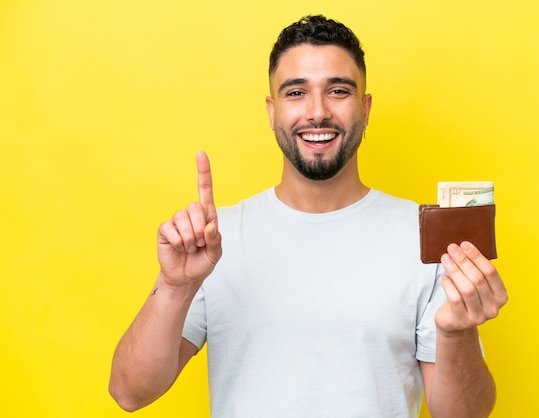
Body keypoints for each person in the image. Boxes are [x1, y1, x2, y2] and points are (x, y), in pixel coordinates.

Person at [109, 14, 508, 418]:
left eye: (338, 90)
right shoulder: (214, 242)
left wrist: (456, 333)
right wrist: (175, 286)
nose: (317, 112)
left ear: (365, 109)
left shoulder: (425, 240)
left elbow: (464, 416)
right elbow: (130, 392)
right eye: (296, 93)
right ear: (272, 110)